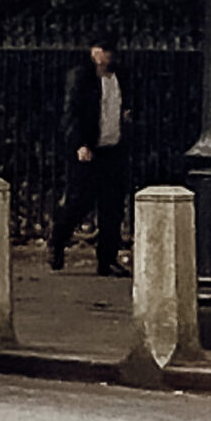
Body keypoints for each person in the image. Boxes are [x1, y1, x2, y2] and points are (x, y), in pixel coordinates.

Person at [49, 36, 129, 275]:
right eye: (102, 50)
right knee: (79, 202)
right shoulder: (81, 78)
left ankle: (108, 258)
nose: (106, 56)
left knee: (112, 207)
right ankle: (58, 241)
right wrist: (80, 144)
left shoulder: (119, 77)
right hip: (89, 150)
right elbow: (72, 113)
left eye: (108, 51)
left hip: (112, 148)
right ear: (93, 52)